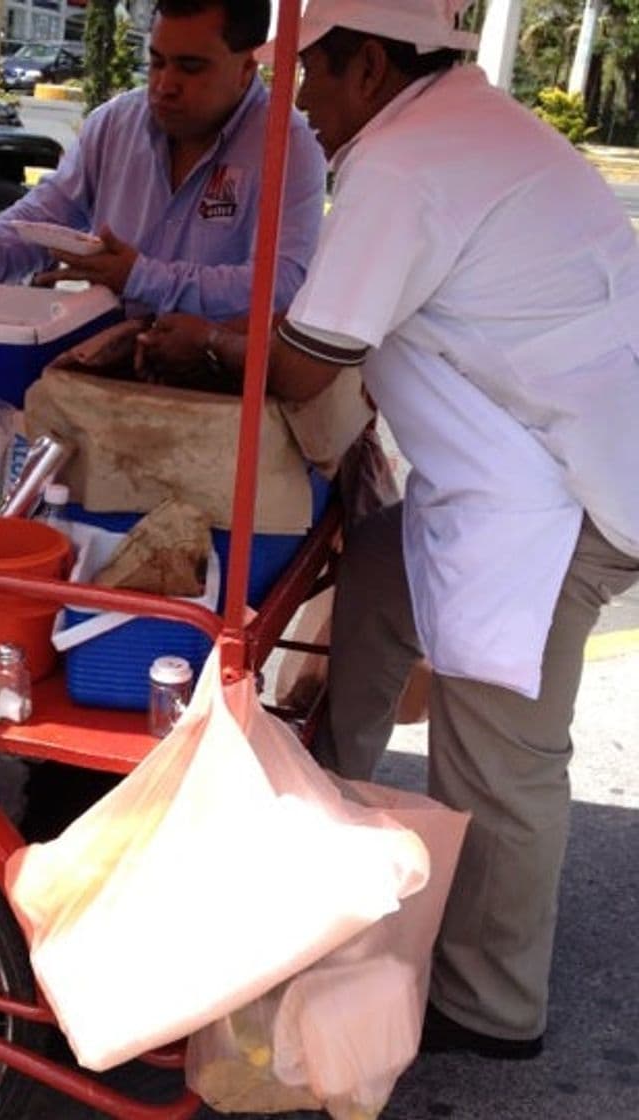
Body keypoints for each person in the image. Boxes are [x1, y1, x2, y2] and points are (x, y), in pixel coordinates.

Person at [255, 0, 639, 1061]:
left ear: (368, 66)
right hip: (553, 453)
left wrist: (216, 342)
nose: (299, 104)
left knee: (499, 754)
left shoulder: (407, 156)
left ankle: (490, 1003)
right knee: (380, 572)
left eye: (313, 78)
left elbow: (303, 361)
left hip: (572, 491)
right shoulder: (459, 122)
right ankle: (324, 799)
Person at [0, 0, 326, 320]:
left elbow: (281, 285)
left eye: (191, 68)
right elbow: (44, 218)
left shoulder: (288, 148)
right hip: (107, 363)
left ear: (246, 69)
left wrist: (142, 278)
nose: (164, 86)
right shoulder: (114, 124)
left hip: (221, 388)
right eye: (157, 62)